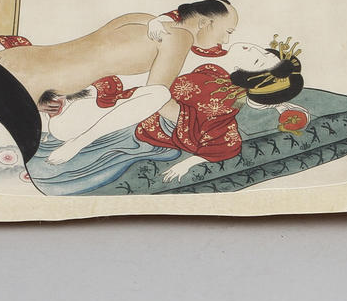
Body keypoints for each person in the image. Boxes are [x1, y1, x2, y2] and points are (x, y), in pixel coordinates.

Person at [0, 0, 238, 163]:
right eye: (227, 31)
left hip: (11, 58)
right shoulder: (179, 38)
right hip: (21, 92)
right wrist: (201, 121)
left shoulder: (143, 20)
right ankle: (78, 144)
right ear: (205, 22)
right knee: (157, 96)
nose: (224, 42)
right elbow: (155, 94)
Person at [25, 38, 306, 195]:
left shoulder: (223, 101)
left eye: (257, 60)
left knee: (157, 94)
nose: (253, 49)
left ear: (251, 79)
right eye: (261, 50)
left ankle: (78, 139)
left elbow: (223, 145)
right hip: (118, 103)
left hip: (140, 125)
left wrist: (187, 164)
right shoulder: (212, 65)